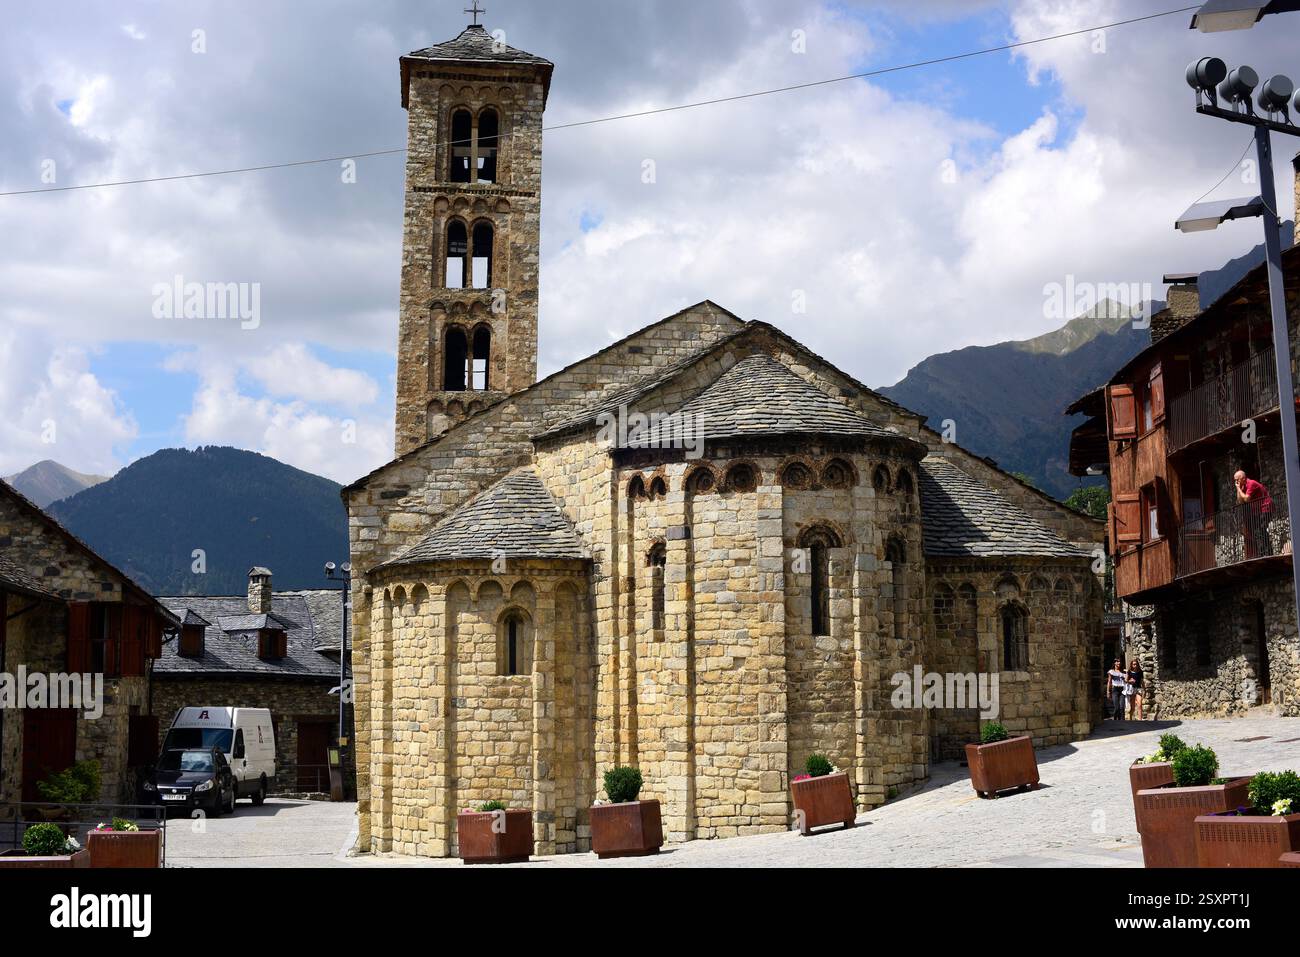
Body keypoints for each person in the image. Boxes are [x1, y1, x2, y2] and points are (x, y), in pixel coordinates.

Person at [1235, 470, 1273, 559]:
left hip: (1265, 508)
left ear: (1243, 478)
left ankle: (1267, 552)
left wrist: (1239, 489)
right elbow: (1240, 501)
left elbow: (1247, 499)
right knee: (1257, 531)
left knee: (1261, 529)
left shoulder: (1251, 483)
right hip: (1258, 510)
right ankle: (1263, 552)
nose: (1236, 482)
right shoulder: (1243, 486)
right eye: (1235, 480)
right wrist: (1238, 488)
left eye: (1237, 480)